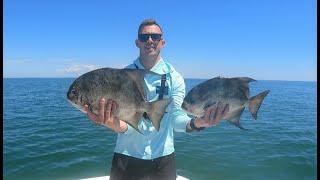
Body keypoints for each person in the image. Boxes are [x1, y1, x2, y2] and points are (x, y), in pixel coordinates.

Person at [83, 19, 229, 180]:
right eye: (144, 37)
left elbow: (176, 118)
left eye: (155, 36)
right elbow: (126, 126)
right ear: (137, 42)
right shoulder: (122, 76)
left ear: (162, 42)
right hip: (127, 155)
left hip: (163, 158)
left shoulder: (175, 78)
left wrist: (198, 123)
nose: (150, 40)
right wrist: (110, 122)